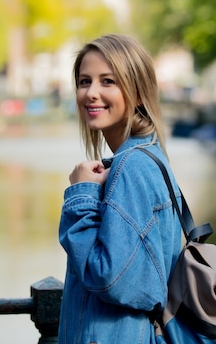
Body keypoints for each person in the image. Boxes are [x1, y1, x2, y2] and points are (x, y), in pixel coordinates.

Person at [58, 34, 188, 343]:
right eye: (84, 81)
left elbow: (111, 279)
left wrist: (81, 196)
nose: (91, 93)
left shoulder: (132, 167)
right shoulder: (145, 158)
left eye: (108, 82)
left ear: (139, 93)